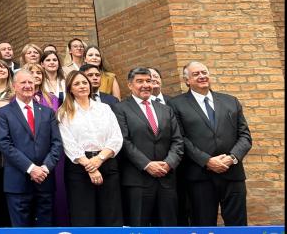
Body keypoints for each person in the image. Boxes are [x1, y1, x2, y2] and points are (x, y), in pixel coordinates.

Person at [169, 61, 252, 226]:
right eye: (196, 74)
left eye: (204, 72)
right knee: (203, 224)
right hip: (199, 176)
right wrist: (207, 161)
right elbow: (180, 138)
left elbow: (244, 136)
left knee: (238, 225)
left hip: (232, 173)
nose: (202, 76)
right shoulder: (176, 104)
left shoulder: (230, 101)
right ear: (187, 81)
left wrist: (232, 158)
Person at [114, 67, 184, 226]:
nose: (145, 85)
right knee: (140, 227)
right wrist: (146, 164)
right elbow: (123, 141)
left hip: (166, 178)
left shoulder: (166, 109)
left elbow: (177, 140)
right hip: (138, 181)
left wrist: (169, 163)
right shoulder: (120, 109)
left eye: (149, 81)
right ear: (130, 85)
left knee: (168, 227)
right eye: (140, 81)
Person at [0, 70, 62, 227]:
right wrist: (31, 168)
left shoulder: (47, 112)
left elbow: (57, 143)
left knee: (45, 228)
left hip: (45, 181)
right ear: (14, 86)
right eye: (23, 82)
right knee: (21, 229)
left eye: (30, 82)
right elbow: (5, 144)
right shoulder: (3, 113)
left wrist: (44, 168)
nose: (27, 86)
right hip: (17, 183)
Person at [57, 71, 123, 226]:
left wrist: (99, 159)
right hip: (79, 168)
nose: (82, 86)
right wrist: (91, 167)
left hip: (106, 162)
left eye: (84, 82)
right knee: (83, 216)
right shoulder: (64, 112)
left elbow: (116, 137)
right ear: (70, 89)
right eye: (77, 84)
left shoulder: (105, 108)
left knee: (111, 214)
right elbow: (68, 143)